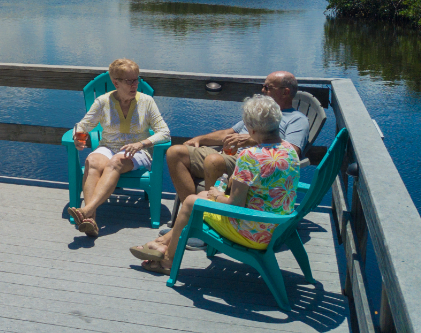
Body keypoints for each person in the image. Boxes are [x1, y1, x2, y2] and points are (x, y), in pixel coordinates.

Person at [130, 94, 300, 274]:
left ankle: (167, 261)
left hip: (253, 231)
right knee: (201, 196)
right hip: (278, 226)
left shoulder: (250, 156)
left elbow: (235, 205)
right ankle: (162, 244)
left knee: (190, 203)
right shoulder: (289, 150)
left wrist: (218, 196)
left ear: (251, 129)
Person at [167, 70, 308, 207]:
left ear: (286, 92)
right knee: (175, 153)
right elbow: (228, 133)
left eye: (268, 87)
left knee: (214, 161)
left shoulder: (297, 120)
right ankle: (190, 214)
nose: (262, 90)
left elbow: (291, 151)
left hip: (253, 164)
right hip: (228, 154)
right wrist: (200, 139)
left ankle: (206, 216)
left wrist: (249, 140)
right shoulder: (262, 112)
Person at [68, 58, 170, 237]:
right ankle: (91, 221)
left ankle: (86, 211)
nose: (134, 84)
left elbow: (165, 133)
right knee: (91, 160)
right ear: (115, 82)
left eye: (136, 79)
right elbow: (82, 125)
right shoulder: (103, 101)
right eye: (129, 81)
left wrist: (142, 144)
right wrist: (77, 136)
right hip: (108, 146)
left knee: (116, 162)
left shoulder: (146, 102)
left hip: (138, 151)